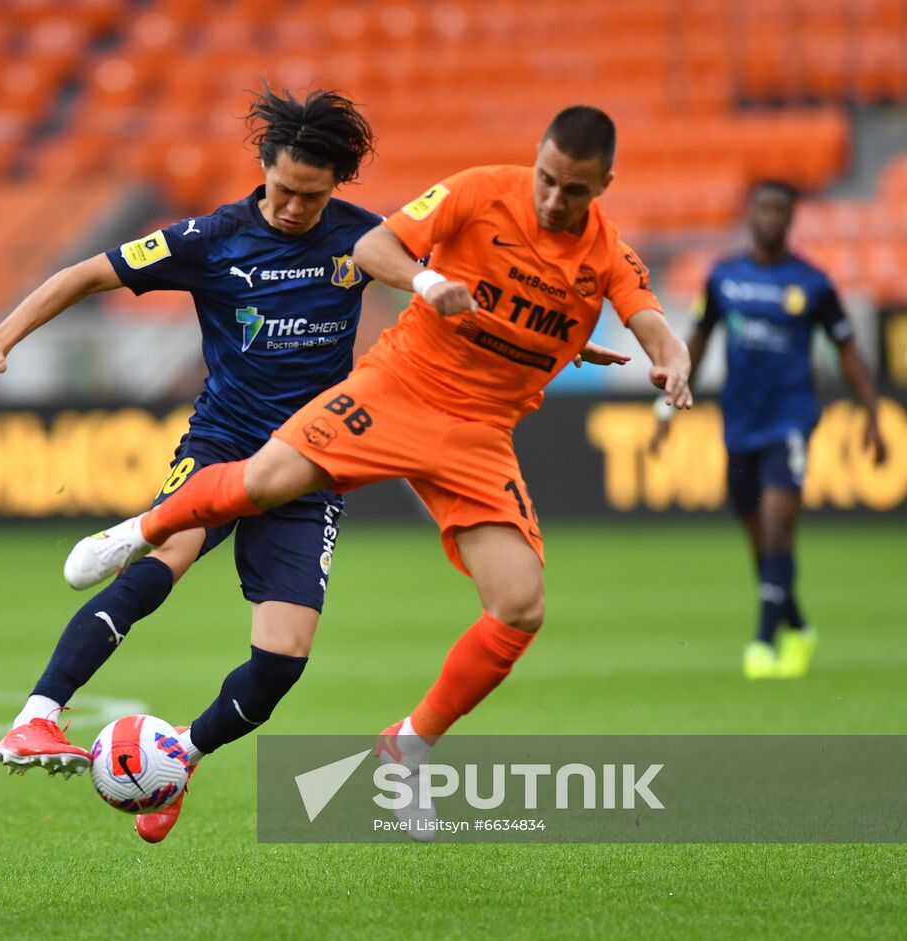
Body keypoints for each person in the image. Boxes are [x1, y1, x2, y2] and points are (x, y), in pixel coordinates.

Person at [64, 105, 690, 840]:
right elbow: (374, 245)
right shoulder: (479, 190)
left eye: (574, 190)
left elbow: (647, 314)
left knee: (521, 604)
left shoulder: (607, 251)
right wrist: (426, 284)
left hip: (479, 434)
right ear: (537, 158)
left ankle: (409, 744)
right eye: (548, 178)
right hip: (398, 388)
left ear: (605, 184)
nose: (554, 199)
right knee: (263, 482)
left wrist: (672, 359)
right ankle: (142, 528)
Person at [0, 85, 384, 843]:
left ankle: (180, 753)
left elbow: (465, 288)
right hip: (223, 445)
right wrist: (2, 338)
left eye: (310, 197)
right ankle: (37, 715)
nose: (291, 208)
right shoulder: (213, 237)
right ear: (264, 168)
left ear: (338, 184)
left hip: (311, 470)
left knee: (281, 665)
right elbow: (82, 274)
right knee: (160, 559)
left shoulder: (367, 238)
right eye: (281, 189)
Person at [651, 181, 885, 680]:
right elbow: (697, 336)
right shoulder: (723, 278)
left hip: (792, 419)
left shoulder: (813, 284)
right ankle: (799, 627)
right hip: (740, 421)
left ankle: (762, 643)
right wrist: (667, 408)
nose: (771, 218)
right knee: (760, 539)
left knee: (780, 526)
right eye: (763, 208)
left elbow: (846, 349)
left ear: (791, 218)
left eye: (780, 209)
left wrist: (872, 415)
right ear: (752, 215)